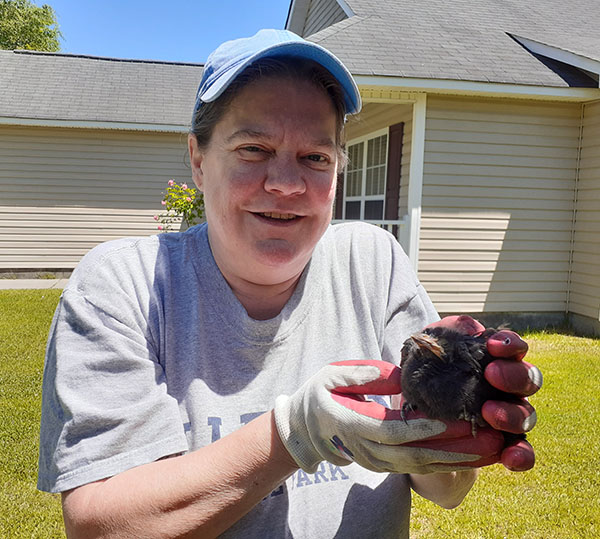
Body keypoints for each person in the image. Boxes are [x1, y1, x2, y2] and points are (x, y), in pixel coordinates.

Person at [37, 29, 542, 538]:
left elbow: (446, 491)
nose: (286, 183)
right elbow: (102, 527)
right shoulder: (125, 285)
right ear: (197, 159)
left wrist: (465, 416)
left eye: (315, 158)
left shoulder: (373, 262)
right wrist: (295, 434)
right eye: (254, 148)